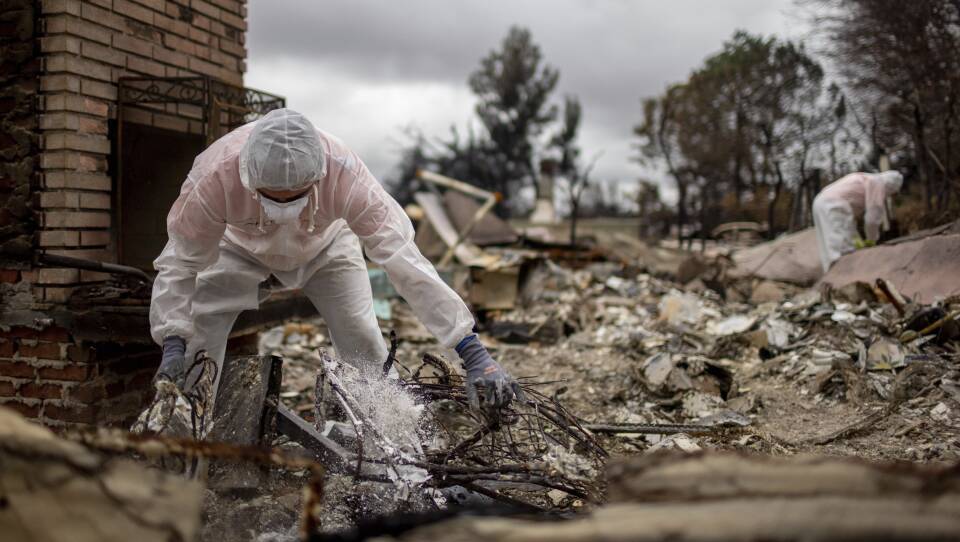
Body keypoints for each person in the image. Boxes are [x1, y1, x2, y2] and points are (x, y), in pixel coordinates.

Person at [149, 108, 520, 411]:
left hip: (326, 246)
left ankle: (394, 458)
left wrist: (472, 352)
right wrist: (173, 342)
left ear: (317, 177)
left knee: (364, 343)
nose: (283, 207)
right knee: (197, 348)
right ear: (248, 174)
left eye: (293, 196)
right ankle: (186, 453)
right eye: (270, 196)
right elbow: (181, 261)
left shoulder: (346, 174)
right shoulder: (215, 176)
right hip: (237, 247)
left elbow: (405, 260)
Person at [812, 170, 903, 272]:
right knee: (843, 247)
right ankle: (844, 276)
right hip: (834, 205)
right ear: (891, 186)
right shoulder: (878, 183)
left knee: (828, 247)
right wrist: (871, 240)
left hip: (820, 201)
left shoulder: (866, 178)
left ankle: (830, 276)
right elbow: (872, 219)